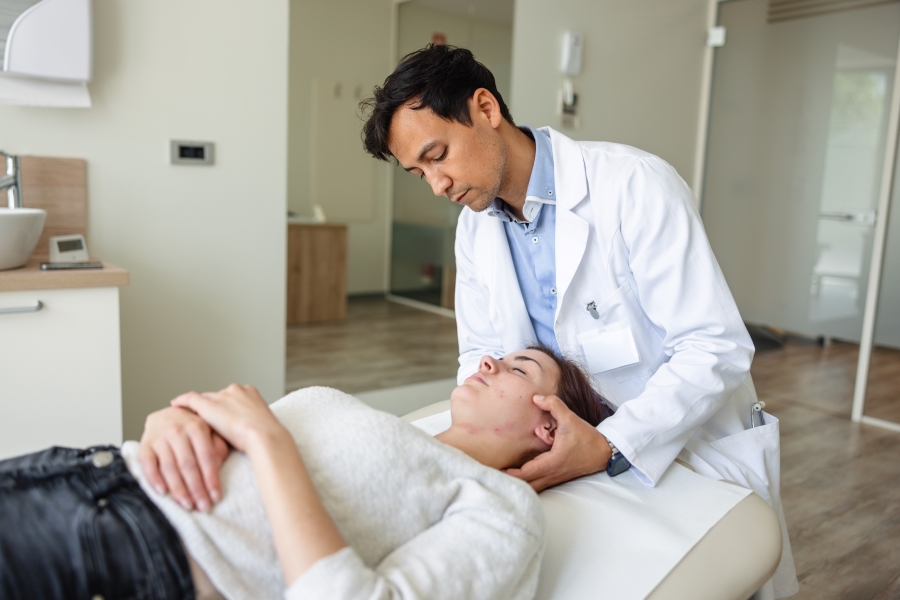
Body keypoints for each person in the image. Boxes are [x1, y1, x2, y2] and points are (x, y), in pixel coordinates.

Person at [359, 44, 797, 600]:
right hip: (556, 452)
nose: (437, 184)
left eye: (438, 154)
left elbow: (714, 346)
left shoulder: (633, 185)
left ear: (486, 108)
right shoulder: (476, 230)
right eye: (419, 172)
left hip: (680, 446)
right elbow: (480, 352)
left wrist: (610, 444)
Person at [0, 347, 609, 600]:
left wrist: (268, 442)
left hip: (125, 549)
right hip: (86, 470)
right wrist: (178, 416)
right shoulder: (403, 434)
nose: (488, 360)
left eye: (518, 369)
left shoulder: (503, 508)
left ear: (549, 426)